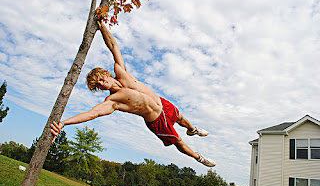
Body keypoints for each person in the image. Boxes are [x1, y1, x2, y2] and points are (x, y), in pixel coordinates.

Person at [50, 22, 216, 167]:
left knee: (180, 118)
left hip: (162, 103)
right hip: (156, 120)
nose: (101, 83)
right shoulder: (113, 100)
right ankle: (199, 158)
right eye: (98, 85)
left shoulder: (121, 71)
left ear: (106, 73)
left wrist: (102, 27)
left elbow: (114, 46)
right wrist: (64, 123)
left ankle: (193, 129)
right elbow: (93, 113)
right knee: (178, 141)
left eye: (101, 79)